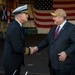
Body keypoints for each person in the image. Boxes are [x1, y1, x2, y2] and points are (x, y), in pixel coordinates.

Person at [30, 9, 75, 75]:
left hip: (65, 66)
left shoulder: (72, 28)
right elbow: (47, 40)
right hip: (53, 65)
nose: (53, 18)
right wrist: (36, 48)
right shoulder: (53, 28)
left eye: (55, 17)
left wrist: (66, 52)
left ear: (61, 17)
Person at [2, 4, 30, 75]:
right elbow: (18, 48)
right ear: (20, 15)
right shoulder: (15, 28)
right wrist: (29, 50)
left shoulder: (16, 25)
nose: (28, 15)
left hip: (13, 62)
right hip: (12, 63)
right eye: (26, 14)